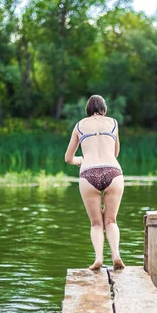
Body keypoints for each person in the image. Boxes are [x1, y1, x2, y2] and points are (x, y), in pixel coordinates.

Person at [65, 95, 125, 271]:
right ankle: (116, 255)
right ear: (104, 108)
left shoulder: (79, 126)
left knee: (96, 223)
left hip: (88, 173)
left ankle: (98, 258)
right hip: (112, 171)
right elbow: (115, 152)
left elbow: (68, 158)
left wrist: (80, 160)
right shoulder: (113, 122)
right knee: (111, 221)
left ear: (87, 110)